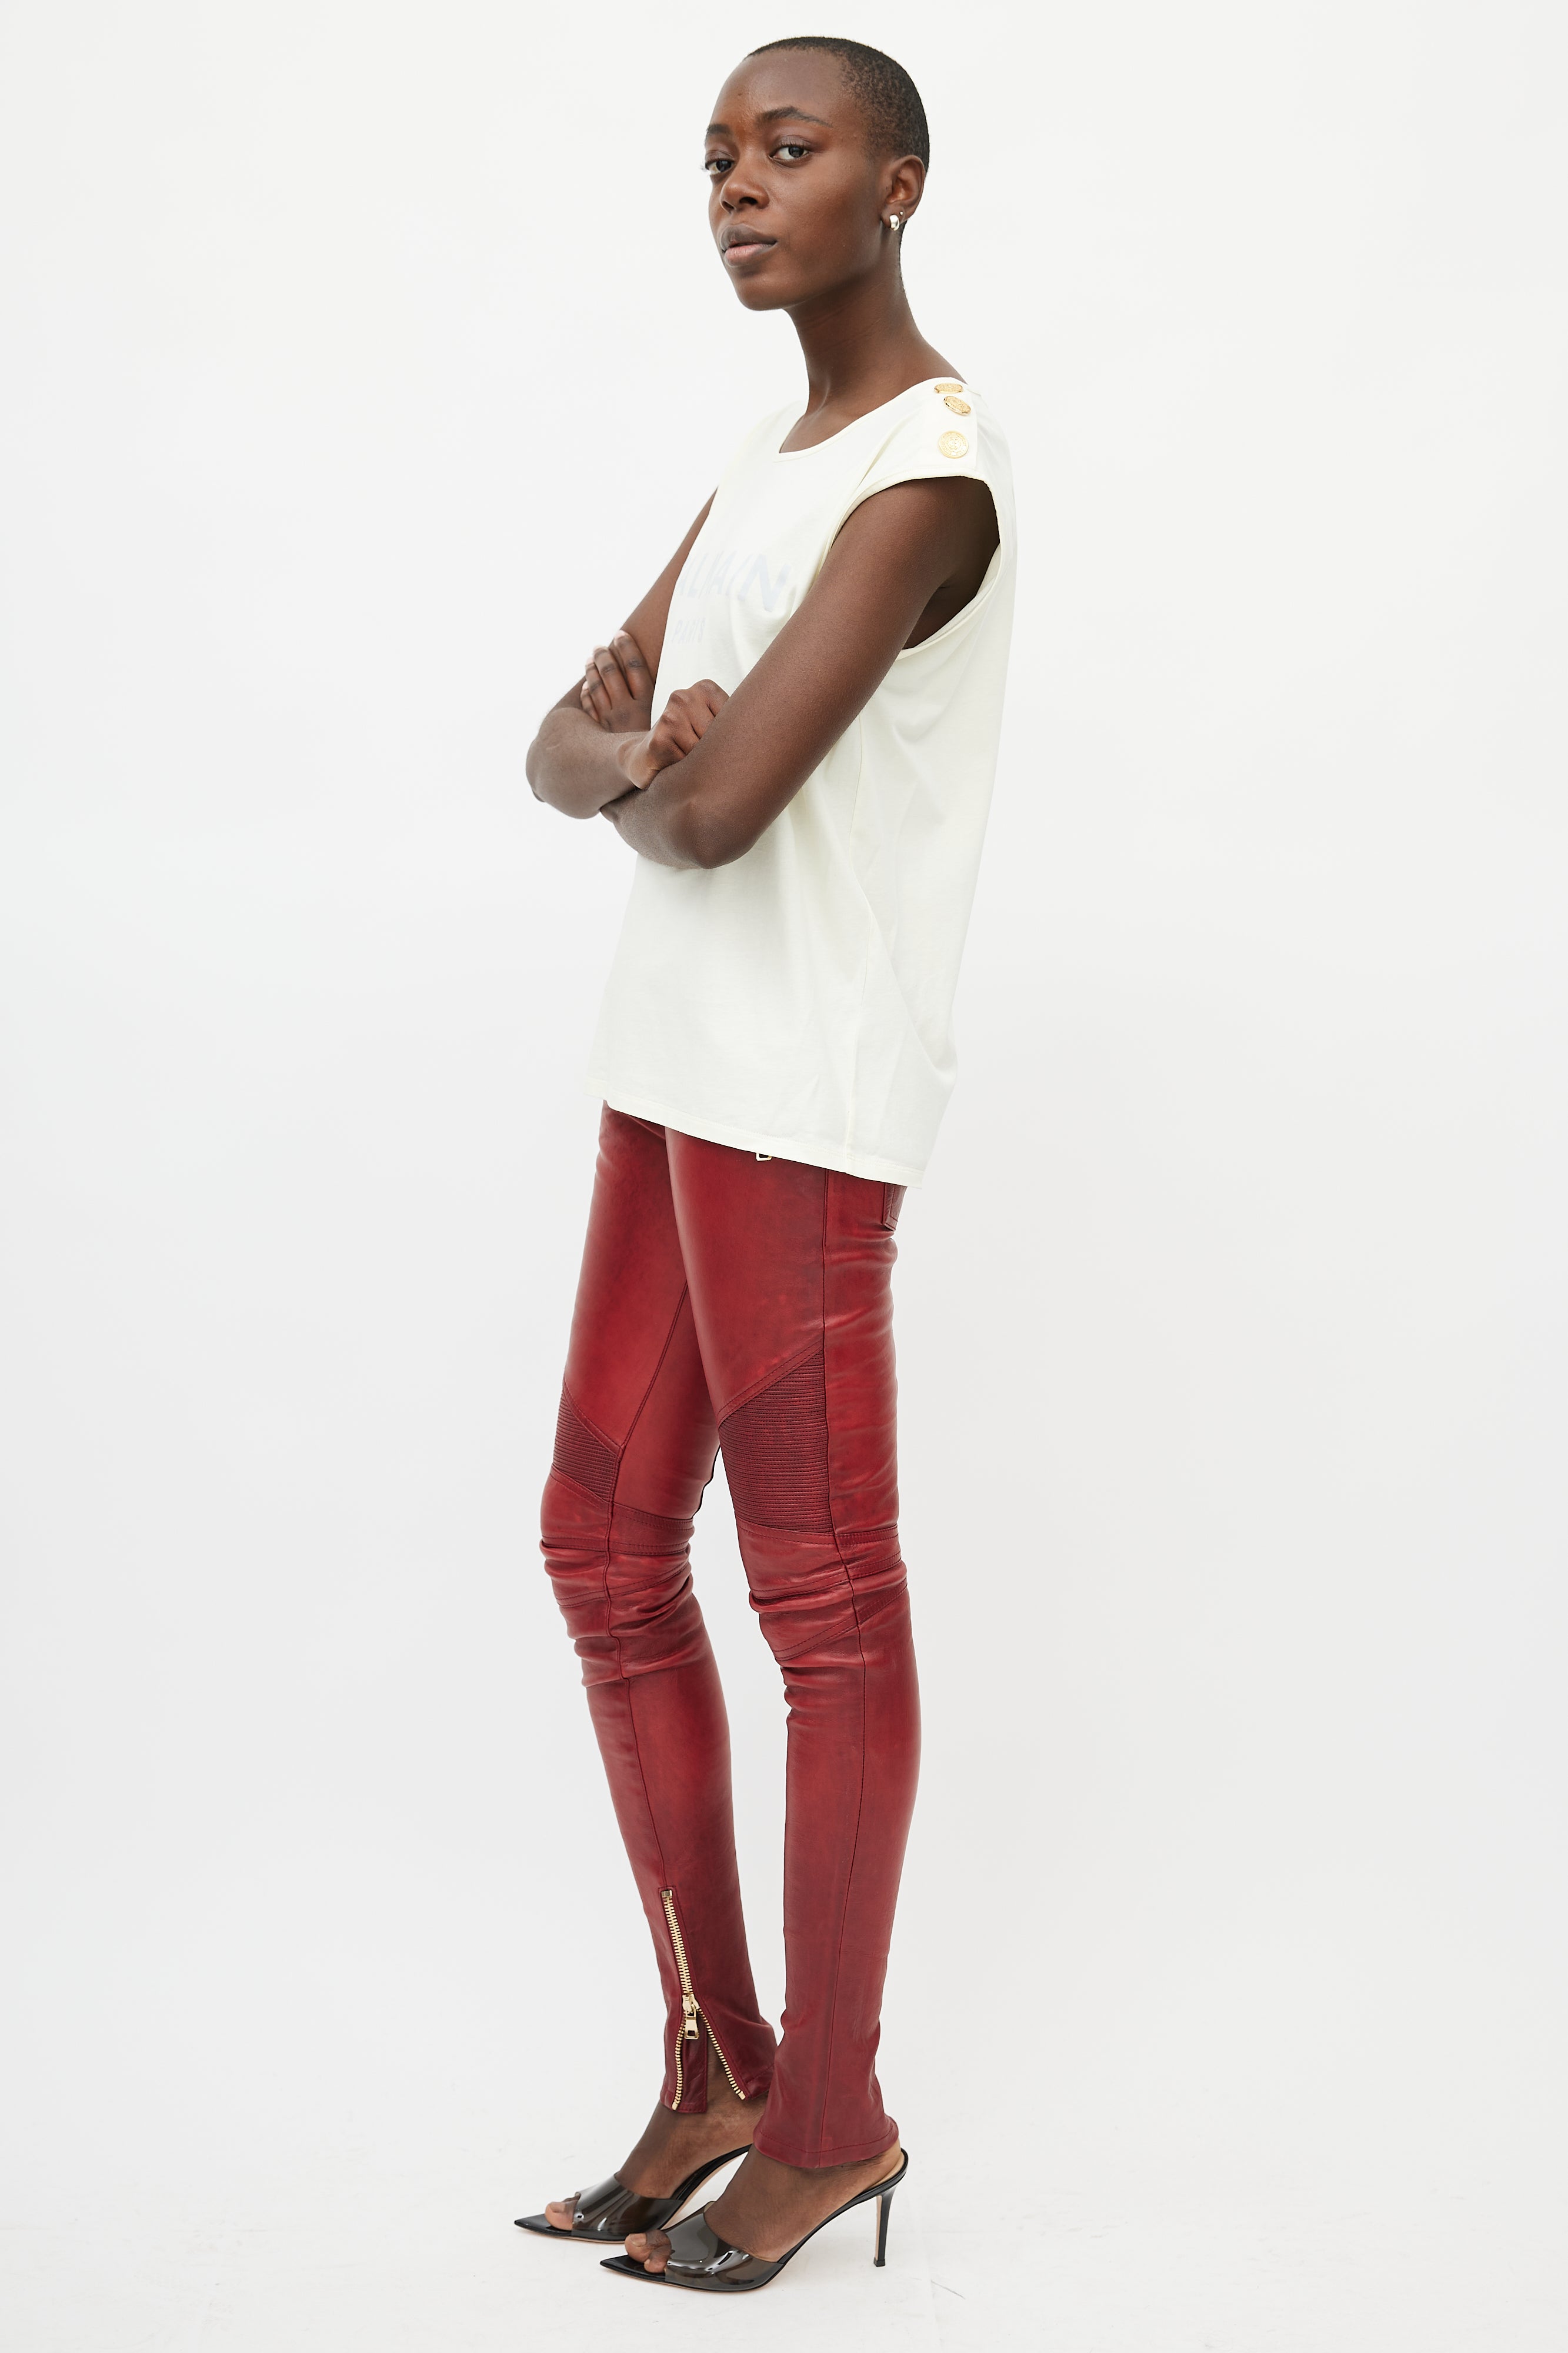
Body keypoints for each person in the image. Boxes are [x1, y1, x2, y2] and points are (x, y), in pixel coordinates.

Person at [517, 34, 1015, 2295]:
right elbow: (555, 745)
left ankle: (833, 2118)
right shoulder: (763, 461)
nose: (736, 185)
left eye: (787, 150)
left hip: (801, 1099)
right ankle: (716, 2066)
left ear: (894, 186)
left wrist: (648, 764)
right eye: (715, 153)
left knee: (821, 1603)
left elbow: (707, 811)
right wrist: (632, 754)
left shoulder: (926, 477)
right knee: (602, 1550)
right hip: (667, 1069)